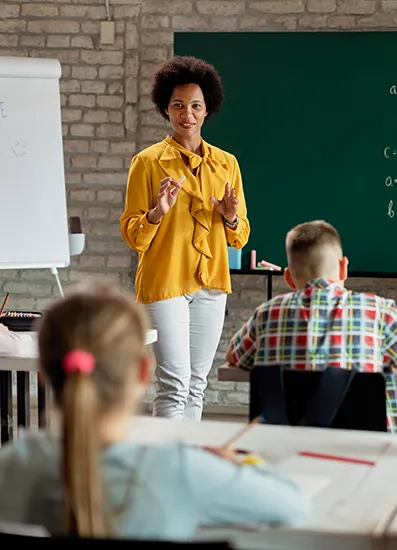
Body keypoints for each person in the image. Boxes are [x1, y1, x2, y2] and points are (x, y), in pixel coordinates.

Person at [0, 285, 309, 539]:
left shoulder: (14, 464)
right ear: (144, 371)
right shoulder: (181, 471)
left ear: (43, 372)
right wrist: (227, 467)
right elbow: (293, 504)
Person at [120, 56, 250, 420]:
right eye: (178, 105)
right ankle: (165, 467)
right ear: (166, 108)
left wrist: (230, 216)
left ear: (208, 110)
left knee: (196, 384)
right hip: (166, 282)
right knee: (174, 385)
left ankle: (186, 463)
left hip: (211, 286)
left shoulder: (227, 164)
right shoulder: (146, 162)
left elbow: (240, 237)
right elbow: (133, 235)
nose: (186, 114)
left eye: (195, 105)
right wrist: (156, 213)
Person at [226, 220, 397, 433]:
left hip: (281, 453)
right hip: (363, 453)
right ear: (343, 267)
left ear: (288, 279)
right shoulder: (379, 311)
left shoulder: (266, 313)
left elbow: (234, 357)